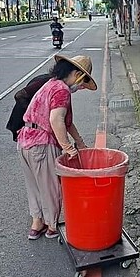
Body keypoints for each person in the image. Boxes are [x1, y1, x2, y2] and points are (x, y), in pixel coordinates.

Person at [17, 54, 97, 240]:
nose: (82, 87)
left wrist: (80, 142)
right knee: (51, 187)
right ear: (76, 73)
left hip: (24, 142)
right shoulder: (62, 91)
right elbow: (56, 120)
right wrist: (69, 148)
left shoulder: (51, 84)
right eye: (83, 82)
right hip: (42, 145)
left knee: (35, 186)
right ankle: (52, 226)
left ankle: (37, 224)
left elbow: (67, 122)